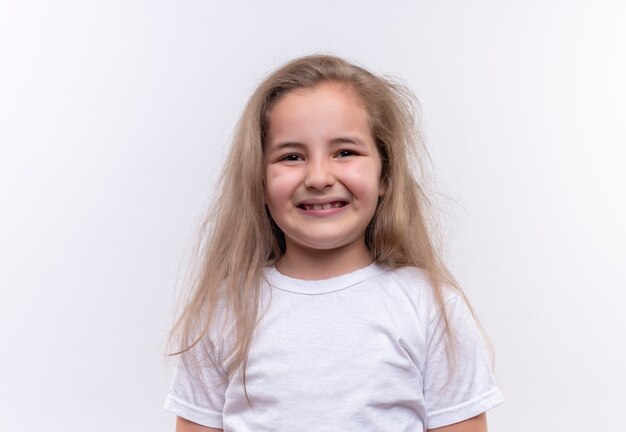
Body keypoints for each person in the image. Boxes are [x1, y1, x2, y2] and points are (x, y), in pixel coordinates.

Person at [163, 54, 503, 432]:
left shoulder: (430, 306)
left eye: (345, 152)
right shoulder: (224, 309)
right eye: (292, 156)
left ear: (384, 175)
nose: (319, 177)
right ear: (259, 180)